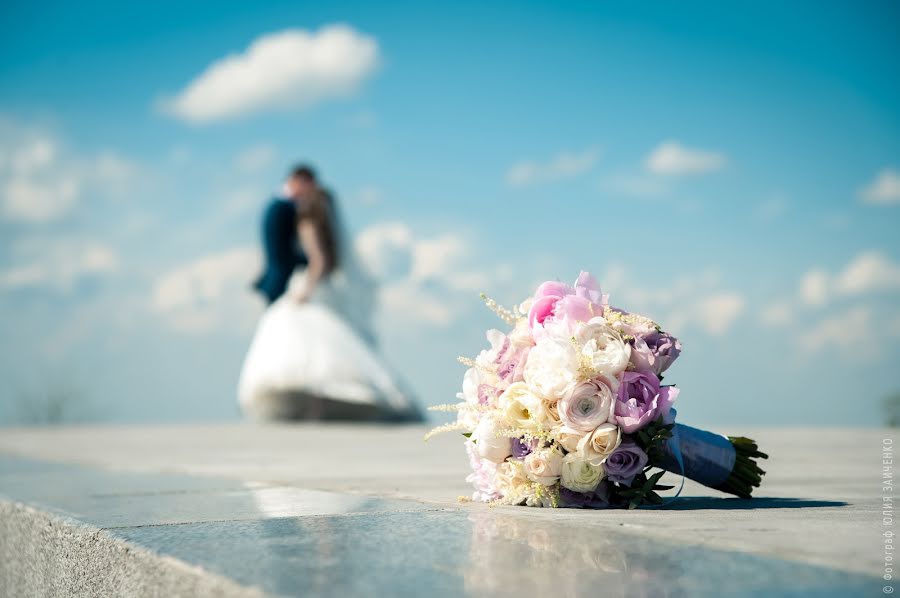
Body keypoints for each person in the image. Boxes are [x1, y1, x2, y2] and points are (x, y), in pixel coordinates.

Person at [239, 164, 423, 422]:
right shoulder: (294, 212)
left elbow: (317, 260)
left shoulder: (305, 219)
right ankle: (314, 406)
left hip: (308, 286)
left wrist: (304, 291)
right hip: (305, 284)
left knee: (306, 345)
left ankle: (313, 406)